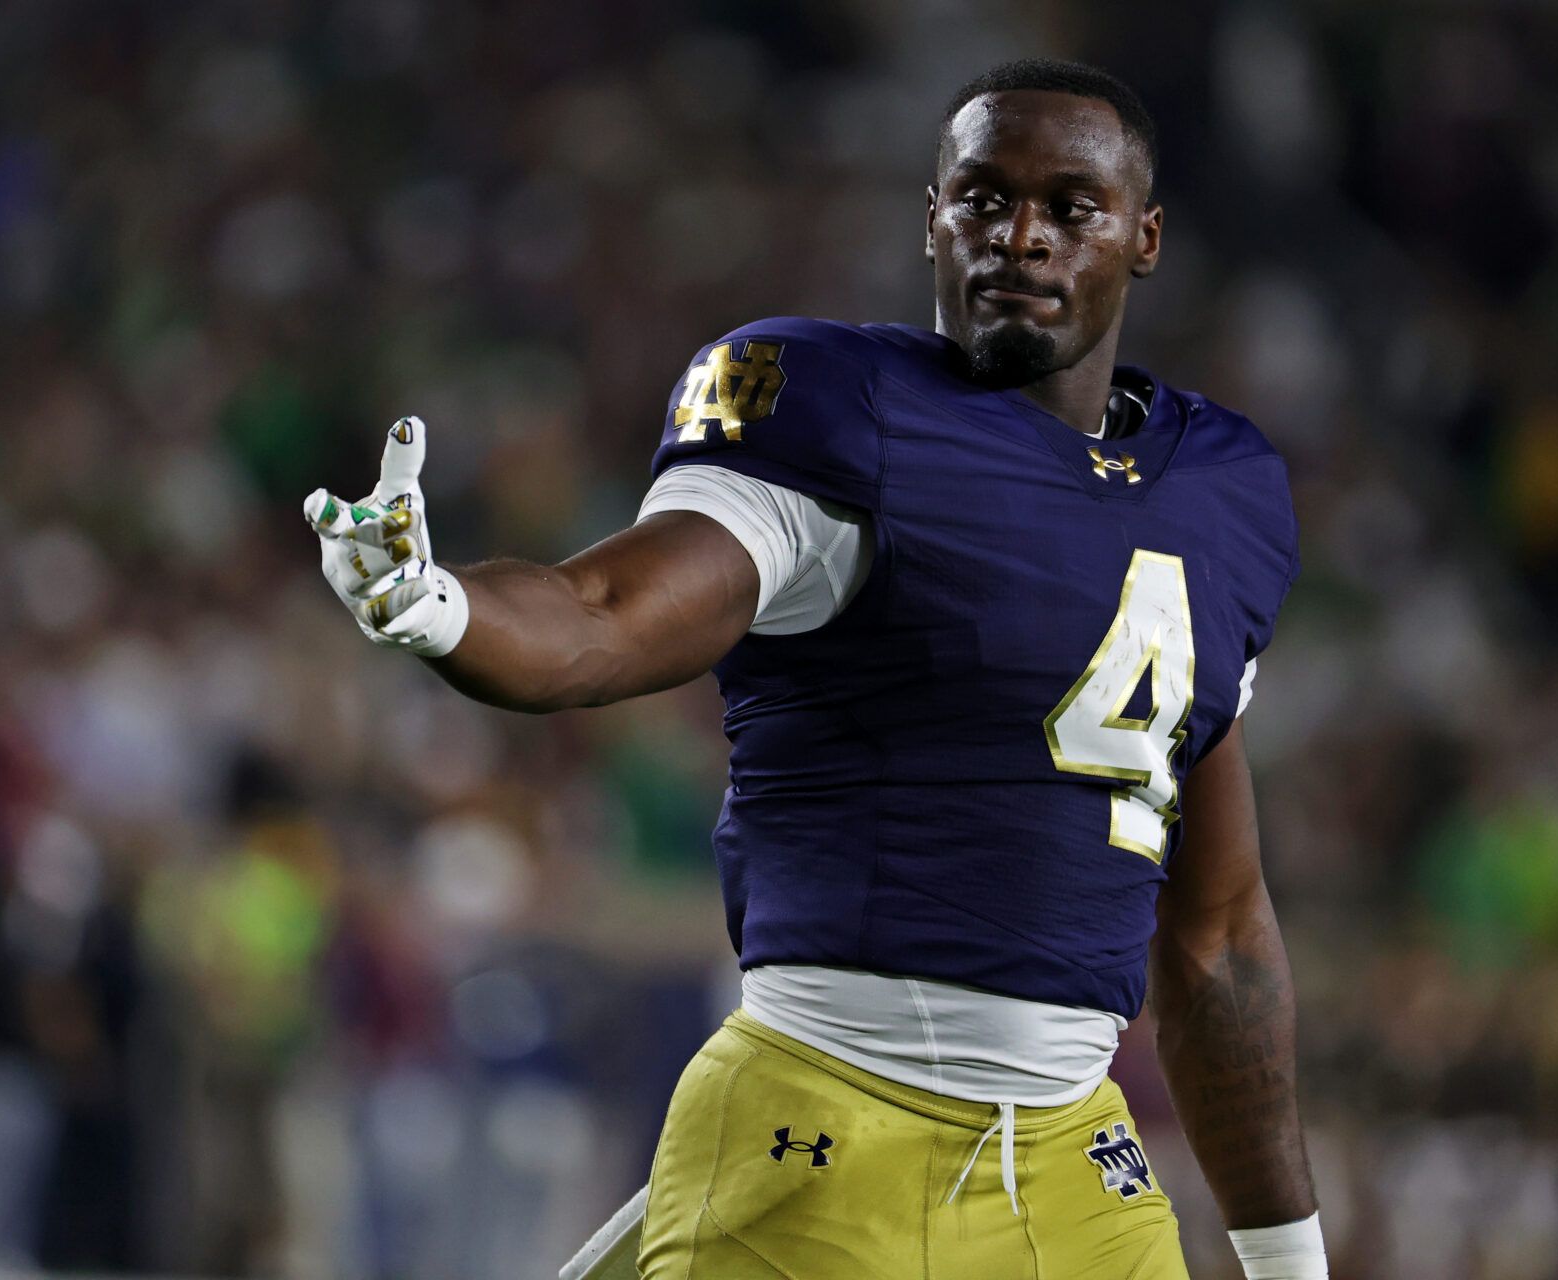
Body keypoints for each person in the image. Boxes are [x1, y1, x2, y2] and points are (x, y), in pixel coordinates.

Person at [308, 57, 1324, 1280]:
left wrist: (1288, 1260)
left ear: (1144, 237)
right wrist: (441, 606)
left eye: (1070, 206)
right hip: (825, 1118)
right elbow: (607, 609)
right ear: (931, 220)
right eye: (982, 199)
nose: (1022, 237)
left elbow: (1214, 930)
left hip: (1078, 1159)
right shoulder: (848, 411)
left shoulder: (1222, 489)